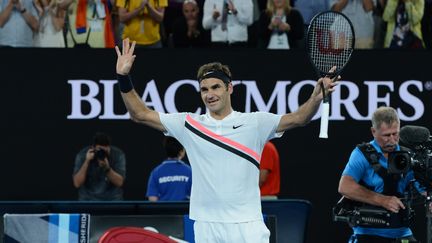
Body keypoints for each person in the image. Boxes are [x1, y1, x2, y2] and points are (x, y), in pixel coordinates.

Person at [114, 38, 338, 243]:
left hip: (247, 224)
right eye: (204, 89)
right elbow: (140, 114)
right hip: (207, 225)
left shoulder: (255, 122)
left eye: (215, 87)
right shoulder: (189, 124)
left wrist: (315, 97)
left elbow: (299, 119)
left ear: (229, 88)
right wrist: (123, 77)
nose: (209, 94)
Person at [338, 106, 421, 242]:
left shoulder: (407, 156)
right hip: (367, 232)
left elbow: (423, 188)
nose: (392, 140)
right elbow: (344, 187)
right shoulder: (361, 154)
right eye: (386, 135)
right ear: (373, 131)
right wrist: (383, 200)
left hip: (402, 232)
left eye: (395, 134)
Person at [73, 132, 126, 201]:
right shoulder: (82, 155)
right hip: (88, 199)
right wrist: (86, 162)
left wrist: (107, 168)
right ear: (93, 148)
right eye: (99, 150)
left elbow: (120, 183)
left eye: (105, 151)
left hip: (112, 199)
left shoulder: (118, 155)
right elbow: (77, 183)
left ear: (109, 147)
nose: (102, 153)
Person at [146, 136, 192, 201]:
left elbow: (152, 199)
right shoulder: (189, 171)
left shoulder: (156, 172)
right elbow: (196, 196)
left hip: (163, 210)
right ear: (181, 152)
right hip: (184, 210)